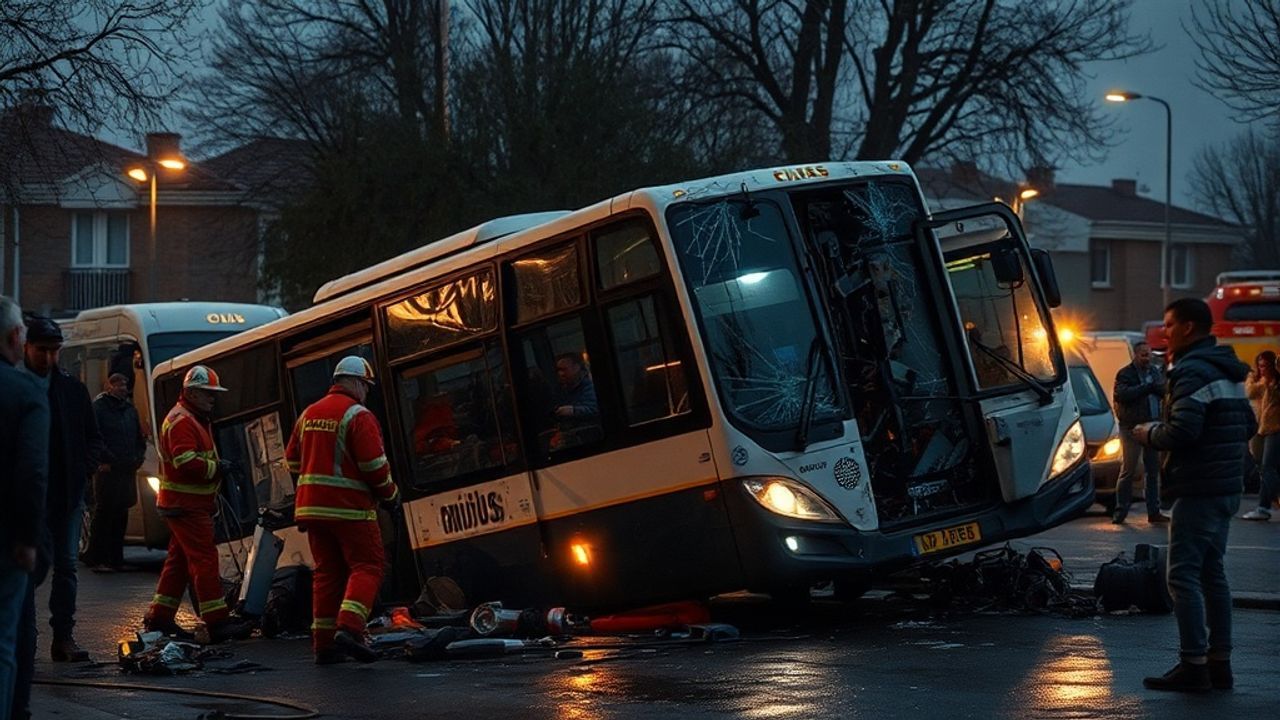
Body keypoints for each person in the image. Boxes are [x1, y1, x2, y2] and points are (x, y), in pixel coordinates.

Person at [1131, 298, 1252, 693]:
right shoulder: (1228, 370)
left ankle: (1193, 665)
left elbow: (1183, 431)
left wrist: (1148, 433)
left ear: (1187, 327)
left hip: (1198, 486)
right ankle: (1220, 663)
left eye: (1168, 325)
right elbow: (1247, 423)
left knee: (1182, 575)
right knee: (1212, 573)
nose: (1163, 333)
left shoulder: (1192, 372)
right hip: (1227, 486)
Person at [284, 356, 400, 665]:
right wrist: (391, 495)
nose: (367, 392)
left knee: (327, 574)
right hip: (350, 510)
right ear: (358, 383)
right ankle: (349, 629)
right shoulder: (358, 415)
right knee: (368, 566)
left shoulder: (309, 414)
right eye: (367, 386)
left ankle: (323, 645)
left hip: (312, 510)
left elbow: (292, 461)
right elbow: (374, 466)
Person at [143, 365, 253, 644]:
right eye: (207, 394)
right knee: (204, 559)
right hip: (187, 505)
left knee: (178, 563)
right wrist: (218, 468)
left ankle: (160, 617)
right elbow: (186, 462)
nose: (212, 399)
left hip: (186, 504)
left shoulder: (190, 417)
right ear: (192, 393)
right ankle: (217, 622)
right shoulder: (183, 421)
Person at [0, 297, 49, 720]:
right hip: (6, 542)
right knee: (4, 640)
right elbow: (32, 472)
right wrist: (28, 539)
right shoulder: (24, 392)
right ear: (16, 337)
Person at [86, 373, 147, 571]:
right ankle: (98, 558)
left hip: (127, 469)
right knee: (105, 513)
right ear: (109, 386)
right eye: (119, 385)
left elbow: (139, 438)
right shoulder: (99, 408)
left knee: (121, 513)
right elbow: (95, 436)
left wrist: (138, 457)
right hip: (108, 470)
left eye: (124, 385)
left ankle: (115, 558)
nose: (123, 388)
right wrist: (109, 458)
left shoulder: (130, 410)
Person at [1111, 341, 1165, 524]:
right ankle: (1120, 511)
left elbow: (1163, 390)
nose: (1146, 358)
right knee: (1128, 470)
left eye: (1148, 354)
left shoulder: (1154, 372)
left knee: (1153, 470)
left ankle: (1154, 511)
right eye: (1143, 354)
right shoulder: (1125, 373)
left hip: (1153, 426)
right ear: (1135, 355)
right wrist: (1146, 388)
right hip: (1131, 427)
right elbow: (1122, 395)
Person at [1242, 350, 1279, 520]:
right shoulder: (1267, 383)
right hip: (1266, 428)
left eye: (1265, 366)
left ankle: (1263, 507)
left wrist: (1251, 377)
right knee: (1268, 467)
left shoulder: (1272, 384)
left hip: (1275, 429)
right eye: (1260, 366)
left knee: (1268, 467)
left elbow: (1249, 392)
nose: (1262, 369)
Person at [551, 352, 600, 443]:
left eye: (564, 369)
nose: (560, 374)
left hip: (590, 435)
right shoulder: (562, 389)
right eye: (558, 370)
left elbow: (595, 408)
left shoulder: (589, 386)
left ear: (577, 367)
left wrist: (573, 410)